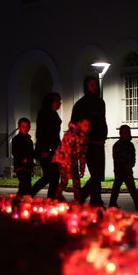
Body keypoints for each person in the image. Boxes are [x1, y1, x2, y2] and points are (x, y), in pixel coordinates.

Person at [71, 75, 108, 207]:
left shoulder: (100, 102)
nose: (95, 87)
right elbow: (75, 124)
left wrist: (103, 134)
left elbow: (102, 120)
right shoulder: (81, 104)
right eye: (92, 85)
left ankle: (95, 201)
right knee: (96, 174)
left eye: (96, 85)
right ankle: (82, 198)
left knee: (98, 175)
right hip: (88, 144)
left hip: (99, 143)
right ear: (87, 87)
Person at [31, 93, 62, 199]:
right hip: (46, 150)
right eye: (57, 101)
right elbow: (42, 133)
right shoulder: (45, 113)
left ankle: (52, 199)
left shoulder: (54, 114)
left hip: (53, 150)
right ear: (50, 102)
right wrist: (44, 149)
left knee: (53, 176)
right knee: (50, 176)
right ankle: (31, 194)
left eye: (59, 101)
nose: (59, 103)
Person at [109, 125, 138, 210]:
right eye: (124, 133)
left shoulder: (130, 145)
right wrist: (126, 165)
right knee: (117, 187)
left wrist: (131, 164)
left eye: (128, 132)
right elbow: (117, 158)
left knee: (131, 188)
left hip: (127, 170)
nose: (126, 135)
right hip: (120, 170)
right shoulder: (117, 145)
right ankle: (113, 203)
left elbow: (133, 157)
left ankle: (136, 203)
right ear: (120, 134)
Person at [52, 118, 90, 203]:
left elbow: (83, 153)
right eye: (85, 125)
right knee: (64, 180)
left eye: (88, 126)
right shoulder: (71, 134)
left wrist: (82, 167)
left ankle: (77, 201)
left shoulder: (84, 137)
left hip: (73, 161)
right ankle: (56, 198)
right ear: (80, 124)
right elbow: (67, 152)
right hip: (63, 160)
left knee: (76, 181)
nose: (87, 128)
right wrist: (68, 169)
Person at [11, 118, 35, 197]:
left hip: (28, 166)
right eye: (23, 126)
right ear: (19, 127)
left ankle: (24, 200)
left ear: (29, 128)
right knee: (24, 183)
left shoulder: (29, 140)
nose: (25, 128)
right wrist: (22, 158)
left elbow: (31, 153)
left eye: (27, 126)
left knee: (27, 184)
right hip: (20, 166)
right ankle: (19, 200)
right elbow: (15, 152)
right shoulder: (16, 139)